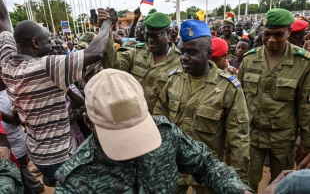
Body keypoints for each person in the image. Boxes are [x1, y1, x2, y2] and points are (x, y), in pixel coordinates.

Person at [54, 69, 253, 194]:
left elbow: (206, 165)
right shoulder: (74, 181)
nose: (134, 147)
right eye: (119, 135)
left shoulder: (165, 132)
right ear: (88, 122)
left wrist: (238, 190)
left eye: (136, 129)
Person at [0, 0, 117, 187]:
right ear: (35, 42)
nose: (53, 47)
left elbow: (3, 19)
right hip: (59, 156)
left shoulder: (6, 63)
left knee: (55, 182)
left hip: (37, 153)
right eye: (47, 41)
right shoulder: (45, 66)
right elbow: (95, 53)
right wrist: (107, 23)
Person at [153, 20, 250, 194]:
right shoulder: (173, 80)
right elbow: (159, 120)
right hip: (174, 166)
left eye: (192, 52)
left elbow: (239, 138)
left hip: (208, 170)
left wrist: (237, 181)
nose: (184, 58)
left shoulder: (228, 87)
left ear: (208, 53)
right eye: (182, 52)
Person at [238, 8, 310, 193]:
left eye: (278, 35)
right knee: (247, 179)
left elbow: (305, 106)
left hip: (283, 137)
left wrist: (306, 141)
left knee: (283, 184)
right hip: (253, 134)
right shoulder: (249, 59)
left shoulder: (302, 62)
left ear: (288, 32)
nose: (271, 40)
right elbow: (238, 99)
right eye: (267, 34)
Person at [102, 12, 181, 114]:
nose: (150, 40)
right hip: (134, 118)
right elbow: (113, 67)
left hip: (163, 126)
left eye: (155, 36)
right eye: (147, 35)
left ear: (169, 33)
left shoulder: (180, 62)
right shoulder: (137, 53)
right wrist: (106, 29)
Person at [0, 85, 44, 193]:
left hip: (16, 145)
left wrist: (1, 115)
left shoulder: (9, 94)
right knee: (22, 172)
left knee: (21, 174)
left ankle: (37, 184)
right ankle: (36, 185)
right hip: (16, 145)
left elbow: (17, 121)